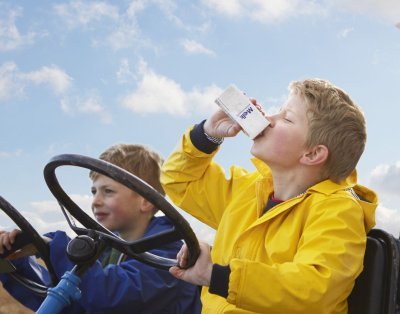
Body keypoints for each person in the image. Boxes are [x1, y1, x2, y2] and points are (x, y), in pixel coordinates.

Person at [161, 79, 377, 313]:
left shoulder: (338, 210)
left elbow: (314, 288)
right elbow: (179, 181)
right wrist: (207, 136)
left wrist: (217, 275)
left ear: (313, 153)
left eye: (286, 118)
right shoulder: (247, 191)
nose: (268, 119)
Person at [0, 144, 201, 313]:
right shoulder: (106, 249)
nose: (95, 201)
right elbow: (68, 302)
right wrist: (18, 263)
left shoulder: (170, 257)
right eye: (94, 191)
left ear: (145, 201)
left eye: (108, 191)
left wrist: (57, 247)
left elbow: (110, 298)